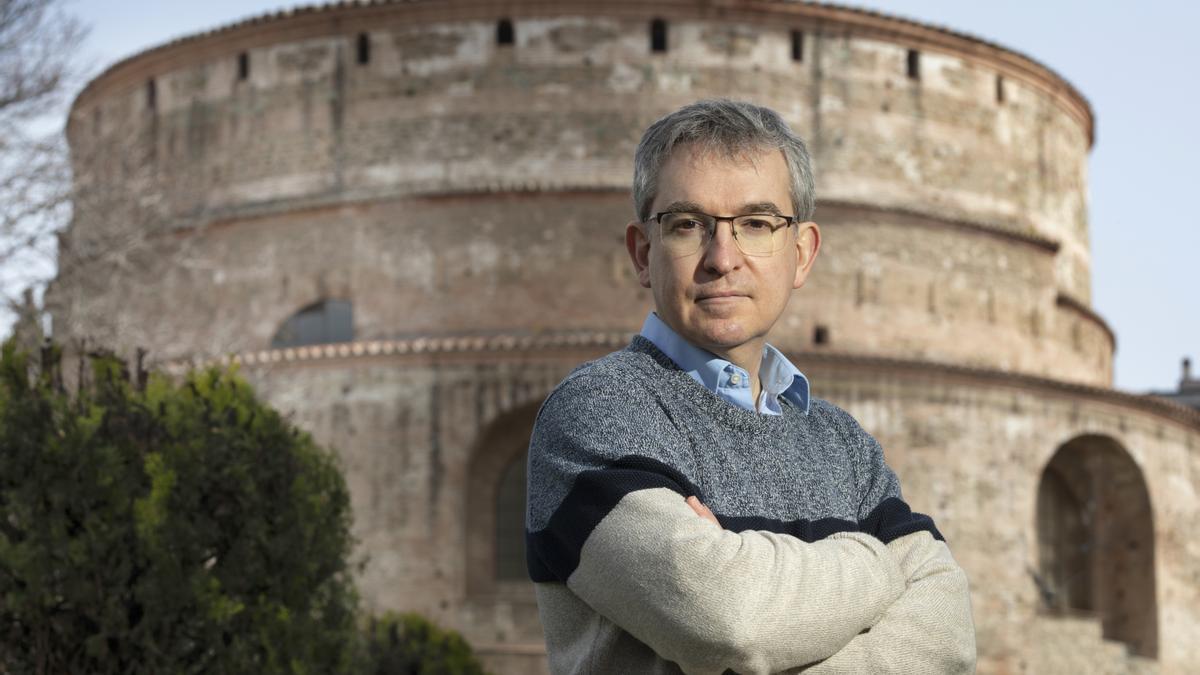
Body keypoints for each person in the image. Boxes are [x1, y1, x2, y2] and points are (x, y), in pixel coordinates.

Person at [525, 99, 975, 674]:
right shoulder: (596, 412)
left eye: (757, 225)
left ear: (802, 253)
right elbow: (729, 621)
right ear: (643, 253)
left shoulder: (843, 443)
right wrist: (881, 562)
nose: (722, 258)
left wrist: (749, 570)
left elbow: (949, 635)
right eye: (688, 225)